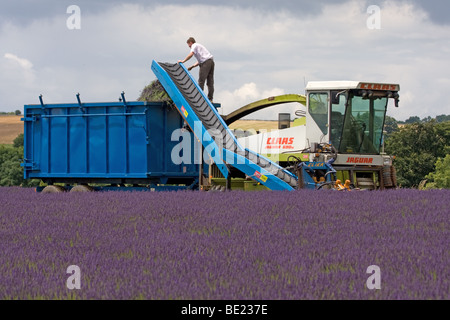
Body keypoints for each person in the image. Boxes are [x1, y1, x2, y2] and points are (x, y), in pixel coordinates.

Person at [178, 37, 215, 102]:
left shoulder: (194, 45)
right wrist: (192, 66)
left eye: (189, 45)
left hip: (206, 63)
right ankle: (210, 98)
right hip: (211, 62)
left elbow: (191, 54)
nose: (189, 47)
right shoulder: (199, 47)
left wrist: (183, 61)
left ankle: (199, 97)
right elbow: (200, 61)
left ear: (190, 42)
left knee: (201, 81)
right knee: (210, 82)